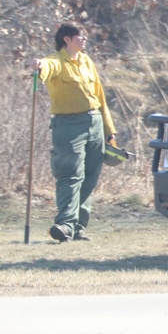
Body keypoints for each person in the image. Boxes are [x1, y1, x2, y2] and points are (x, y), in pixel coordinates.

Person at [30, 23, 117, 242]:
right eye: (80, 36)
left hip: (95, 122)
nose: (84, 39)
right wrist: (39, 66)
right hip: (68, 125)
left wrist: (109, 130)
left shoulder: (87, 61)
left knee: (90, 176)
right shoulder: (56, 61)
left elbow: (100, 97)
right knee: (70, 174)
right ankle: (65, 225)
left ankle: (78, 228)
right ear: (67, 39)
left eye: (85, 36)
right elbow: (47, 67)